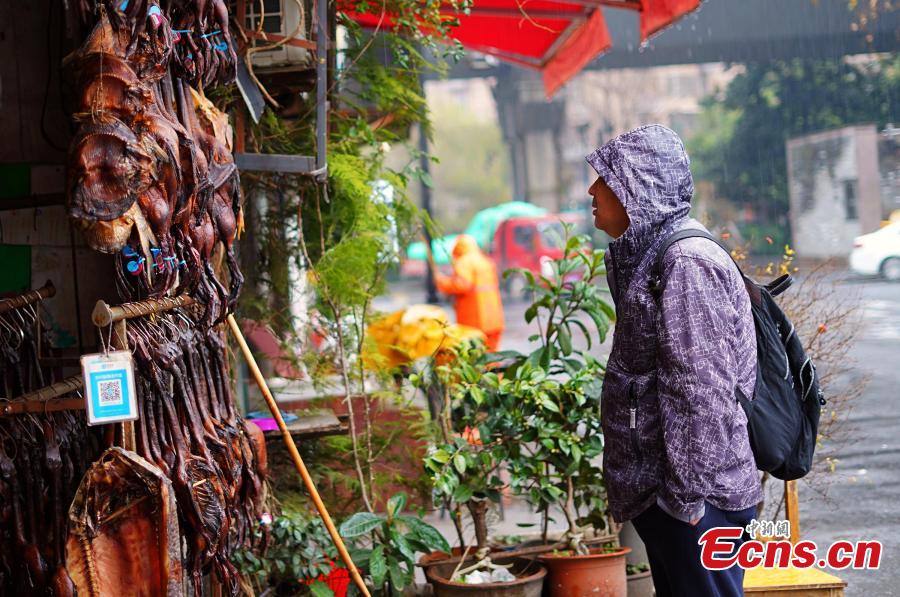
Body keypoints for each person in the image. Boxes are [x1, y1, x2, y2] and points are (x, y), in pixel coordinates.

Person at [586, 125, 761, 597]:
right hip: (672, 495)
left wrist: (685, 503)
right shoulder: (651, 253)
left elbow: (700, 389)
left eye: (604, 179)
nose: (591, 191)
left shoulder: (686, 262)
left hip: (698, 503)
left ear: (635, 187)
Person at [431, 235, 505, 351]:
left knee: (476, 357)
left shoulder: (464, 262)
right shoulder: (485, 260)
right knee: (492, 357)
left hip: (475, 319)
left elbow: (462, 285)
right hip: (494, 318)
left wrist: (441, 282)